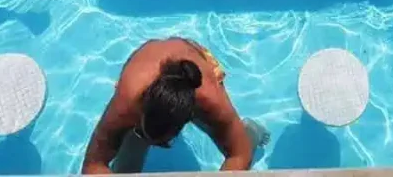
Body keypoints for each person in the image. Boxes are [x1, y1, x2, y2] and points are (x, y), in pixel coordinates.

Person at [82, 38, 269, 174]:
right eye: (144, 133)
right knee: (124, 169)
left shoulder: (209, 99)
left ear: (186, 118)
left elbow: (239, 155)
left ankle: (251, 131)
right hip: (146, 67)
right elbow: (93, 163)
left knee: (239, 142)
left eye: (165, 142)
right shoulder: (127, 103)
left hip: (195, 67)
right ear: (139, 114)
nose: (155, 145)